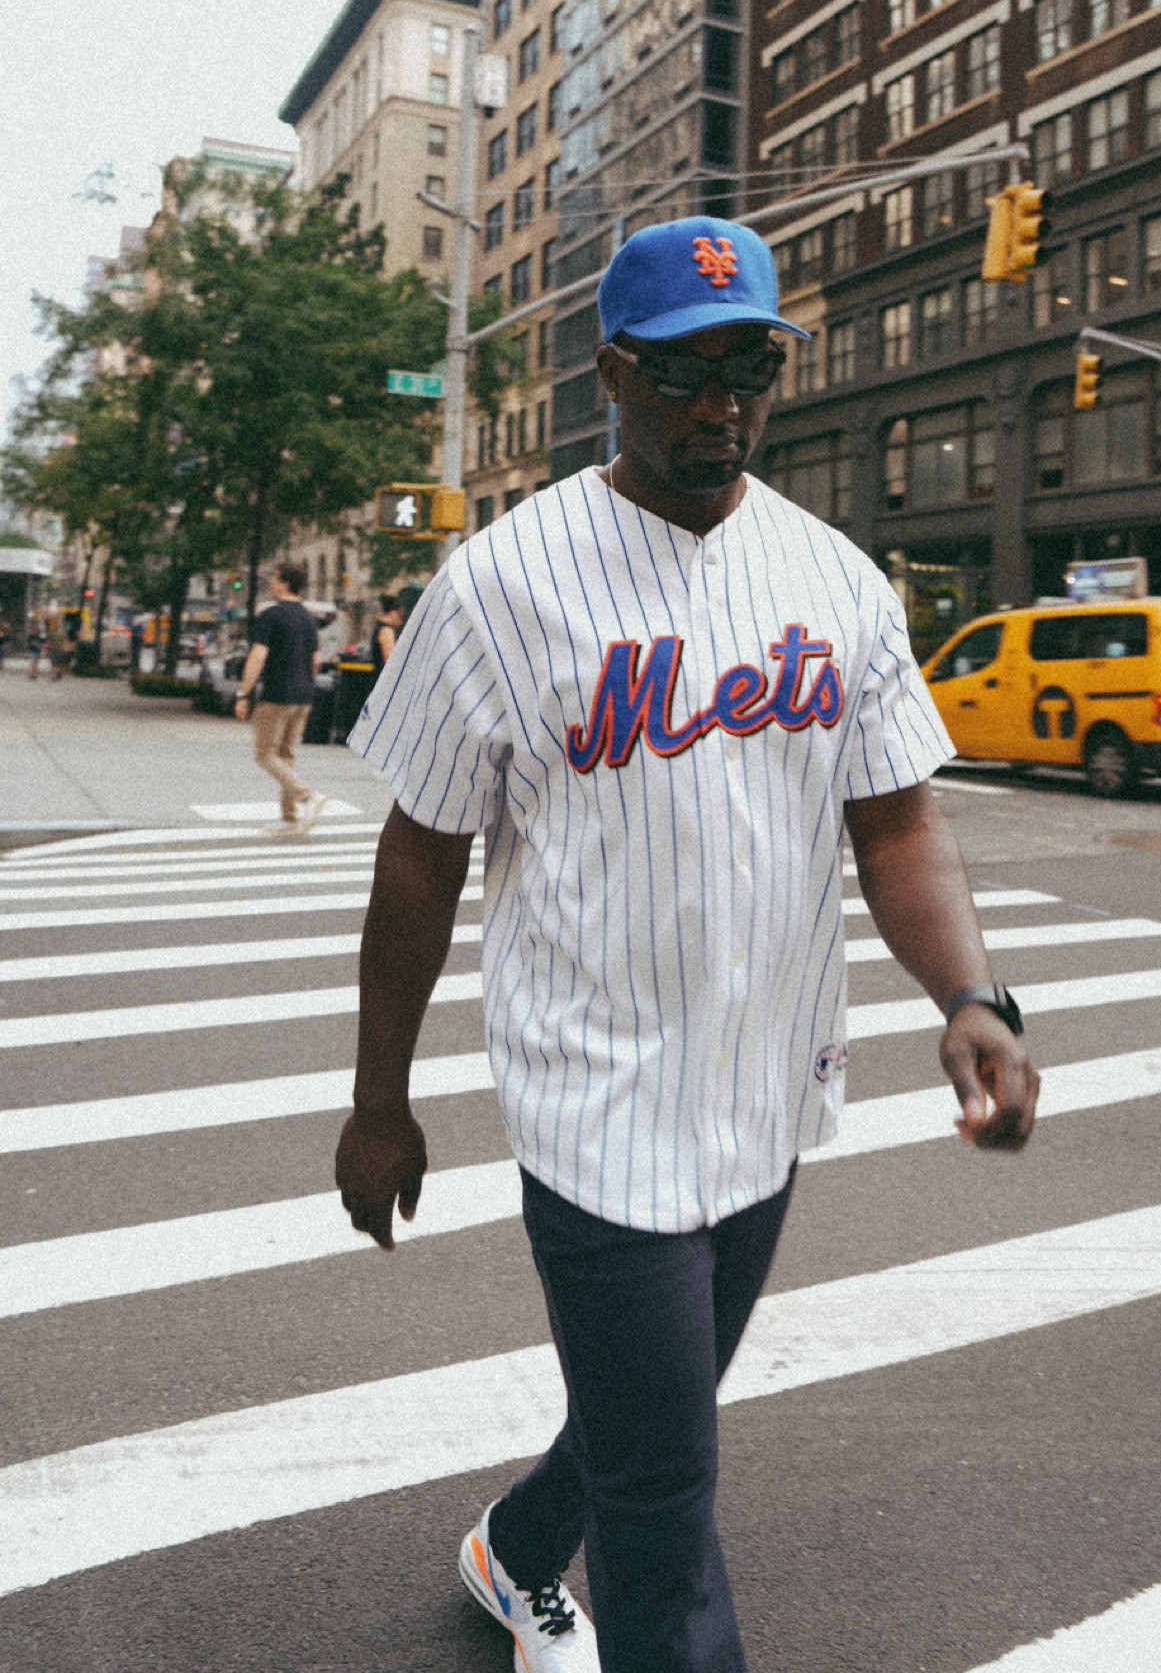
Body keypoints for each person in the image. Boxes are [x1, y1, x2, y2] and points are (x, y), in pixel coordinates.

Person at [335, 215, 1039, 1673]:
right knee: (665, 1494)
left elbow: (896, 823)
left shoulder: (833, 578)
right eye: (682, 370)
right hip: (596, 1103)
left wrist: (969, 994)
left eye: (750, 368)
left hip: (767, 1089)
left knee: (651, 1405)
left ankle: (514, 1546)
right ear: (612, 375)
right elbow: (419, 855)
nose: (722, 403)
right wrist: (378, 1100)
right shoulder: (500, 584)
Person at [233, 561, 325, 836]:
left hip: (277, 694)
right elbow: (316, 661)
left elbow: (257, 656)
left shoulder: (271, 616)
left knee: (265, 755)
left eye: (274, 578)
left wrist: (244, 694)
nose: (270, 582)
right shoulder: (309, 618)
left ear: (285, 583)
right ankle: (290, 818)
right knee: (286, 755)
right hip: (304, 696)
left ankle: (307, 795)